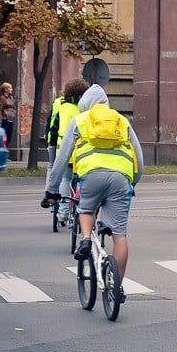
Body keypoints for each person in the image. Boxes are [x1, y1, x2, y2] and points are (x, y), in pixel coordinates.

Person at [42, 84, 144, 296]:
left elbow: (61, 159)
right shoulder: (121, 120)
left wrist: (51, 189)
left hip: (91, 174)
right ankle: (117, 288)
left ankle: (86, 238)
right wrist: (132, 183)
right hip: (121, 178)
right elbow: (139, 156)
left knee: (86, 209)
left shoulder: (79, 120)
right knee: (120, 235)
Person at [46, 79, 89, 170]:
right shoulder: (87, 109)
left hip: (59, 147)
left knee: (56, 172)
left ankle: (50, 184)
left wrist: (48, 137)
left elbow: (51, 123)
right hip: (81, 152)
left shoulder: (60, 104)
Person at [0, 82, 16, 149]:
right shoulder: (2, 98)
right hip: (5, 120)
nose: (11, 89)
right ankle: (3, 150)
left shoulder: (11, 97)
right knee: (4, 137)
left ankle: (5, 150)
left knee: (9, 137)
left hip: (10, 119)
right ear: (5, 89)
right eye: (10, 88)